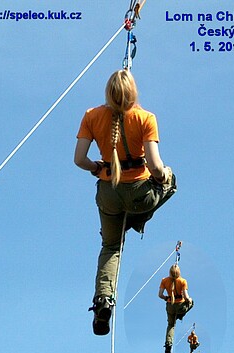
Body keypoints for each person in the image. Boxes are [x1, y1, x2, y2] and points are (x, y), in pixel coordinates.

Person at [75, 70, 176, 336]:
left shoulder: (91, 116)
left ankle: (103, 300)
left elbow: (79, 160)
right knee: (171, 180)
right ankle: (135, 220)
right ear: (134, 92)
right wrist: (165, 173)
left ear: (108, 92)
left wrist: (98, 168)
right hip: (139, 193)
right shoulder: (146, 118)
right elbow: (155, 167)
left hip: (109, 192)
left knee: (111, 246)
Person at [158, 264, 193, 353]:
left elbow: (160, 295)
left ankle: (168, 344)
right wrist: (189, 300)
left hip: (170, 305)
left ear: (169, 272)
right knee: (192, 303)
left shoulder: (164, 281)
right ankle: (180, 315)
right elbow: (186, 297)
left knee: (171, 325)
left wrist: (166, 298)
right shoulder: (183, 281)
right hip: (180, 306)